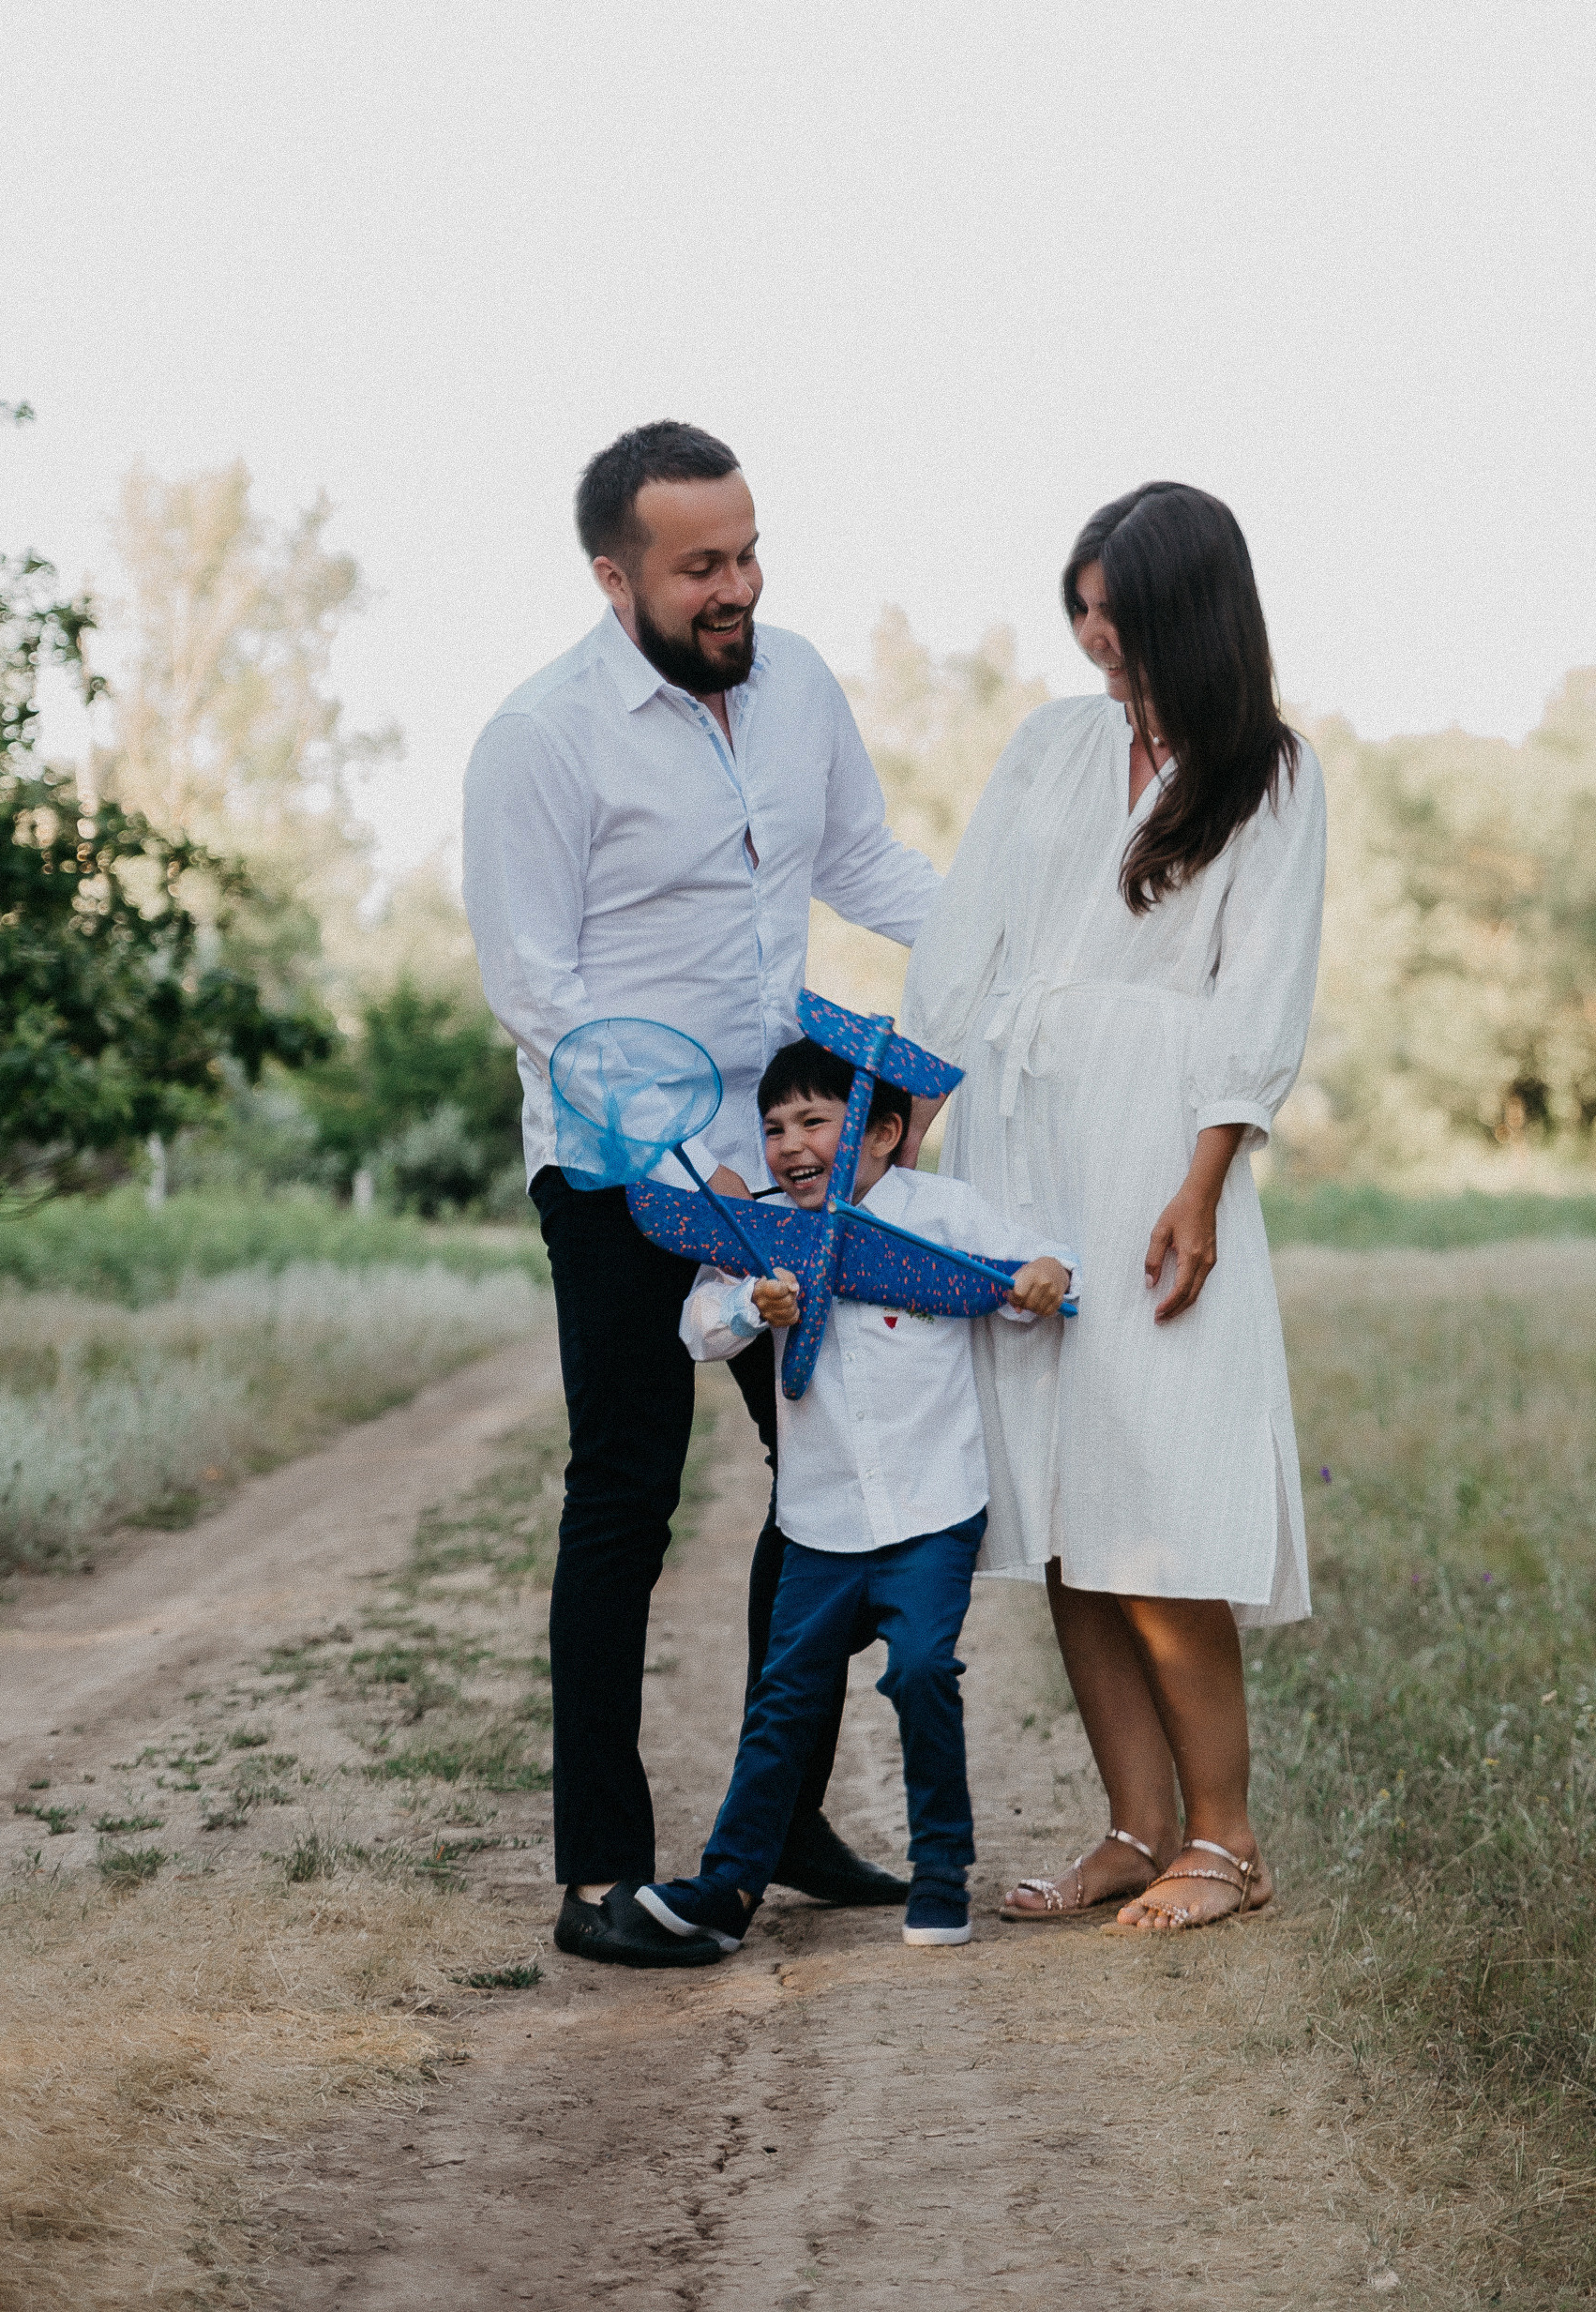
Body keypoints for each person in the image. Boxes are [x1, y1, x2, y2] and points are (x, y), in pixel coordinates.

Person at [462, 421, 941, 1970]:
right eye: (698, 567)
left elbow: (866, 862)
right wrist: (691, 1167)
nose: (735, 588)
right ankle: (599, 1867)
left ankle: (779, 1820)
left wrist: (1006, 959)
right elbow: (540, 992)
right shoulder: (537, 740)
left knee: (832, 1481)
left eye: (745, 553)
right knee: (627, 1497)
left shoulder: (796, 681)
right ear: (615, 578)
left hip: (784, 1161)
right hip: (619, 1174)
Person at [899, 482, 1326, 1933]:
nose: (1094, 641)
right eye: (1079, 610)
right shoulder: (1047, 749)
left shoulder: (1265, 774)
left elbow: (1260, 989)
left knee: (1157, 1498)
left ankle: (1229, 1840)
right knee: (1066, 1505)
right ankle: (1137, 1827)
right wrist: (907, 1133)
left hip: (1153, 1151)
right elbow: (965, 944)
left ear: (1189, 618)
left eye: (1120, 616)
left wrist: (1203, 1183)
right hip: (1023, 1154)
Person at [636, 1035, 1075, 1956]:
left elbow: (1025, 1261)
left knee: (919, 1668)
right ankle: (726, 1889)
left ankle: (942, 1866)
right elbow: (697, 1326)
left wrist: (1045, 1273)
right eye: (772, 1126)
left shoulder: (938, 1214)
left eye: (812, 1121)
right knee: (783, 1698)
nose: (788, 1142)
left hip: (929, 1510)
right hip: (821, 1522)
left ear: (879, 1131)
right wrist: (758, 1305)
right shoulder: (756, 1233)